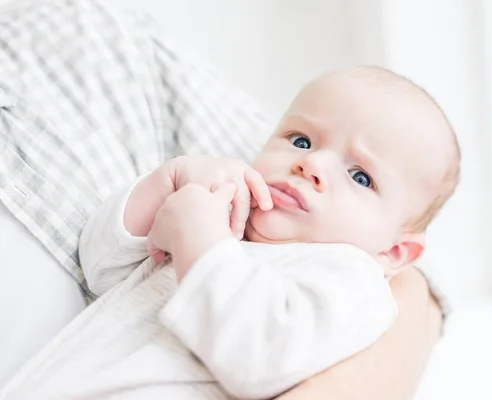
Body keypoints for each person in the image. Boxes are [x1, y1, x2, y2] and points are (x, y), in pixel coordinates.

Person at [0, 0, 448, 398]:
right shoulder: (226, 216)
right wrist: (167, 184)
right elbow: (99, 268)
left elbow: (259, 359)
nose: (311, 166)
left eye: (360, 176)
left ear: (394, 252)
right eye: (302, 140)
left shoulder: (352, 280)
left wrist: (199, 236)